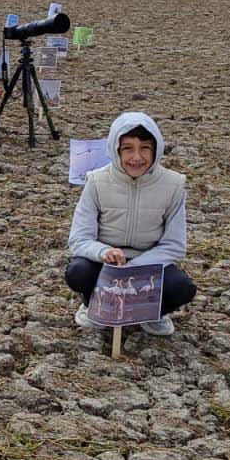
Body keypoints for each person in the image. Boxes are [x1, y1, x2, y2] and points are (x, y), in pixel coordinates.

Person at [66, 112, 196, 336]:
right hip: (106, 264)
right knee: (78, 272)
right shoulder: (96, 181)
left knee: (181, 287)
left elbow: (175, 245)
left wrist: (137, 267)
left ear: (156, 150)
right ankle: (93, 305)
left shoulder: (173, 185)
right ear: (116, 150)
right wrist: (104, 252)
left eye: (145, 148)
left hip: (150, 264)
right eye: (128, 148)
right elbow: (79, 238)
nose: (137, 157)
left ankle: (154, 313)